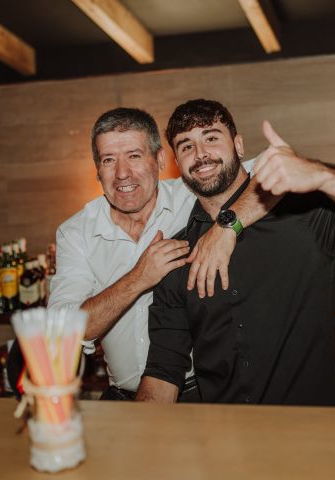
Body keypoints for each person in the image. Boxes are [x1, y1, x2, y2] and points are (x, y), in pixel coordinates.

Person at [137, 99, 335, 405]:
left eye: (211, 137)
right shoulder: (178, 256)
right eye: (186, 146)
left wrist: (322, 175)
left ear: (239, 146)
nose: (201, 154)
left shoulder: (305, 216)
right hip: (226, 441)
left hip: (317, 433)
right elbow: (164, 370)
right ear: (178, 163)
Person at [44, 107, 275, 400]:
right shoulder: (76, 232)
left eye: (134, 156)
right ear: (97, 170)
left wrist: (225, 228)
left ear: (160, 161)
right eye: (108, 160)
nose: (122, 173)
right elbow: (61, 332)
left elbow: (275, 167)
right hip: (122, 398)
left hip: (200, 393)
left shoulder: (194, 192)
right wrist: (139, 277)